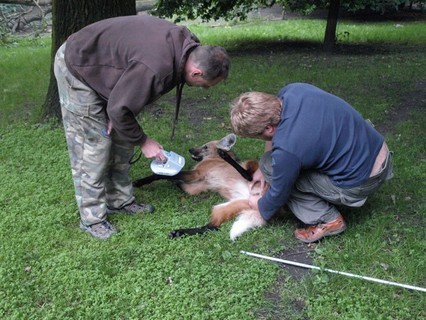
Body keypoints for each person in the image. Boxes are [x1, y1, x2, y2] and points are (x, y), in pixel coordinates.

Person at [54, 15, 230, 239]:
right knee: (94, 145)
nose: (204, 89)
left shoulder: (187, 47)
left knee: (122, 136)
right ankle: (92, 218)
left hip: (106, 67)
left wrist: (116, 108)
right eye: (204, 85)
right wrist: (143, 141)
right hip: (77, 65)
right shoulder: (157, 66)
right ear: (196, 72)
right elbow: (121, 107)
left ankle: (119, 200)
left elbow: (125, 99)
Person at [230, 83, 393, 243]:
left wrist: (260, 205)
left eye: (259, 135)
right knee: (267, 164)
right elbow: (277, 143)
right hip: (379, 153)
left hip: (361, 183)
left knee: (276, 173)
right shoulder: (294, 90)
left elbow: (279, 192)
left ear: (269, 129)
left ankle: (329, 220)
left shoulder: (288, 148)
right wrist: (262, 171)